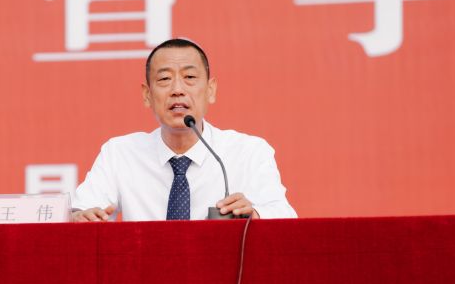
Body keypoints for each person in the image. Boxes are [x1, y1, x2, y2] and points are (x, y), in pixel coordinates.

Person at [69, 38, 296, 221]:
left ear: (210, 90)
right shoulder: (119, 153)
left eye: (189, 77)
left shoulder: (249, 152)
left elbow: (285, 217)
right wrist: (79, 217)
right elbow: (81, 210)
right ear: (147, 95)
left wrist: (255, 215)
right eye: (164, 79)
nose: (177, 89)